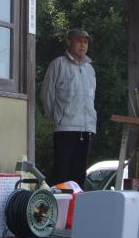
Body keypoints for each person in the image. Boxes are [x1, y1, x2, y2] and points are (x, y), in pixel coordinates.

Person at [41, 28, 97, 187]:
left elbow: (92, 97)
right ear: (70, 42)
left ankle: (76, 207)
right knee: (61, 170)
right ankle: (58, 207)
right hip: (65, 127)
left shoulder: (90, 69)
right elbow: (47, 95)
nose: (82, 45)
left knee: (79, 172)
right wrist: (57, 118)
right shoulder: (58, 64)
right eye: (79, 41)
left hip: (87, 128)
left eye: (85, 42)